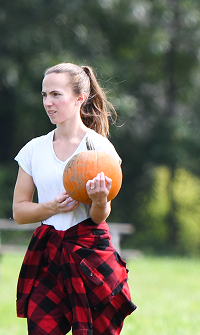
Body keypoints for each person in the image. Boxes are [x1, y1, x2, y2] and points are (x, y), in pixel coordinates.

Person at [12, 63, 136, 335]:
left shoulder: (99, 149)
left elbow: (100, 216)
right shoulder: (33, 150)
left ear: (80, 98)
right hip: (48, 254)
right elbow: (19, 212)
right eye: (44, 95)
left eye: (56, 94)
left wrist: (100, 200)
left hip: (89, 253)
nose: (48, 102)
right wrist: (50, 207)